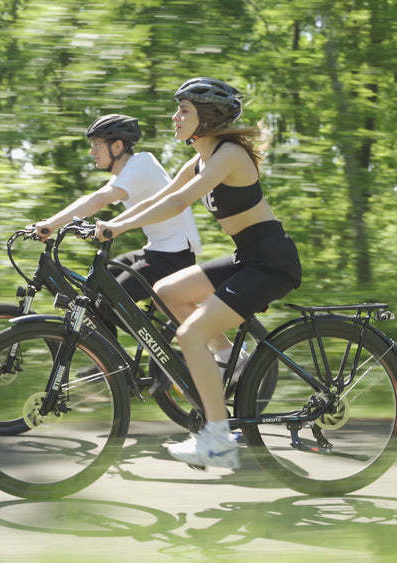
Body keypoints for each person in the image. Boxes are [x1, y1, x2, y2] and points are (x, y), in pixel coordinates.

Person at [95, 78, 302, 469]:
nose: (175, 117)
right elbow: (160, 196)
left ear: (207, 118)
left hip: (271, 262)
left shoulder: (229, 155)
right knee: (166, 290)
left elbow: (177, 202)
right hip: (247, 257)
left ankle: (218, 439)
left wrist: (118, 228)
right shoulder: (202, 158)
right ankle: (231, 357)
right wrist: (110, 223)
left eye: (184, 110)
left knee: (189, 336)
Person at [33, 114, 202, 329]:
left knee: (110, 302)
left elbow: (99, 199)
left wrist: (51, 224)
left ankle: (155, 352)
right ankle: (106, 361)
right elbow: (98, 198)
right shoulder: (126, 173)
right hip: (157, 251)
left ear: (118, 145)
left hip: (173, 257)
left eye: (97, 144)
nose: (91, 151)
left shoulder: (141, 164)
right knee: (96, 288)